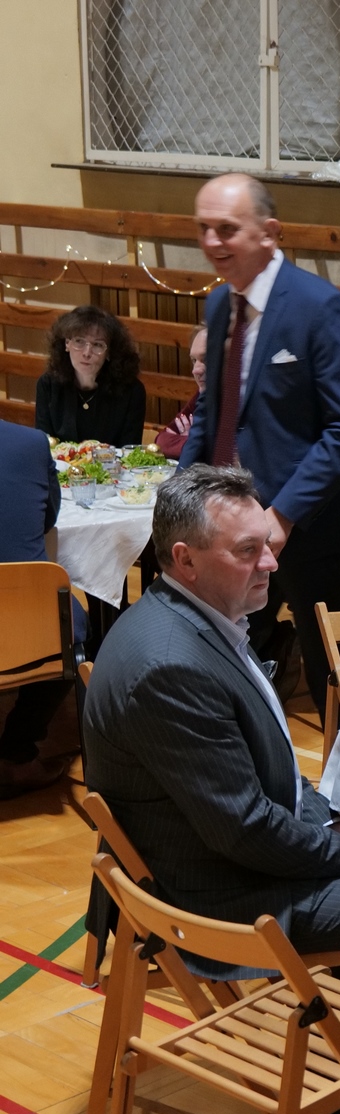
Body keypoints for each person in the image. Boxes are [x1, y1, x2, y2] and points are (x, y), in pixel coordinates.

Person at [82, 467, 340, 998]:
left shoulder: (196, 615)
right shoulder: (170, 667)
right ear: (185, 560)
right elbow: (245, 831)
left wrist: (335, 828)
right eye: (248, 551)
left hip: (224, 849)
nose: (271, 563)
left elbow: (267, 779)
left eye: (268, 545)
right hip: (212, 890)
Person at [182, 172, 340, 710]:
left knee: (329, 670)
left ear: (269, 232)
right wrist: (181, 495)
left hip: (310, 524)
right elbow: (213, 410)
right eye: (203, 229)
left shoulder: (320, 307)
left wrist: (283, 515)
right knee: (226, 655)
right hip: (230, 519)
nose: (212, 242)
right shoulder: (220, 305)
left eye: (227, 229)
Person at [0, 419, 77, 795]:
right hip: (30, 616)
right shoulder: (30, 443)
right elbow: (49, 516)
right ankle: (17, 753)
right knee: (73, 629)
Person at [33, 306, 147, 447]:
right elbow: (44, 446)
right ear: (67, 344)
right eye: (79, 341)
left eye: (97, 345)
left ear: (109, 352)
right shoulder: (48, 385)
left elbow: (129, 451)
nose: (87, 353)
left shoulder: (132, 391)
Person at [154, 326, 205, 459]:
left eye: (205, 359)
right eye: (194, 360)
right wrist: (191, 444)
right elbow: (161, 441)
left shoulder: (239, 402)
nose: (195, 370)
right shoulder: (201, 395)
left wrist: (192, 444)